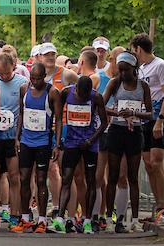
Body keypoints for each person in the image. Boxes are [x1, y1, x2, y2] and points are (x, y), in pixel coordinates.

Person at [101, 51, 152, 233]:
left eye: (126, 70)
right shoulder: (115, 83)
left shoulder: (142, 86)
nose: (123, 74)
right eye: (120, 70)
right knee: (113, 176)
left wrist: (134, 114)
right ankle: (109, 219)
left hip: (134, 132)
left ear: (134, 69)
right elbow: (102, 104)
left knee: (132, 177)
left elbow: (149, 113)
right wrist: (117, 113)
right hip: (116, 130)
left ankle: (135, 219)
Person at [52, 75, 109, 233]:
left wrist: (91, 140)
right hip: (71, 142)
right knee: (66, 179)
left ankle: (88, 220)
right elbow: (58, 117)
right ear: (75, 88)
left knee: (91, 180)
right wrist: (58, 141)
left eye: (86, 96)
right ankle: (60, 219)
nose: (83, 98)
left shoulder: (96, 97)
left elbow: (104, 123)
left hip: (89, 145)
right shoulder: (66, 93)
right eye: (80, 95)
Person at [130, 34, 164, 221]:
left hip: (158, 118)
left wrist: (161, 120)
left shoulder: (161, 65)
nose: (133, 54)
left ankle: (163, 206)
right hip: (144, 119)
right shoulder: (140, 69)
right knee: (148, 164)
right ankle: (158, 207)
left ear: (139, 49)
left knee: (157, 162)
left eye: (133, 51)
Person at [11, 63, 56, 233]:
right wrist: (17, 137)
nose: (35, 81)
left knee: (41, 180)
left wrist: (56, 144)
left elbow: (58, 119)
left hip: (43, 142)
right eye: (32, 78)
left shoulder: (52, 92)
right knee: (24, 179)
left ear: (44, 76)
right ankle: (24, 218)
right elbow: (21, 114)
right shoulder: (24, 89)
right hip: (26, 141)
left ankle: (42, 220)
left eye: (38, 78)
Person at [0, 50, 27, 230]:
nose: (4, 76)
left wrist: (19, 135)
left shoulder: (22, 83)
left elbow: (23, 110)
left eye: (8, 73)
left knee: (14, 176)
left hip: (12, 137)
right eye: (1, 72)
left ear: (14, 66)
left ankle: (15, 214)